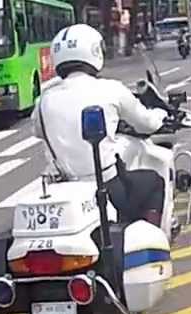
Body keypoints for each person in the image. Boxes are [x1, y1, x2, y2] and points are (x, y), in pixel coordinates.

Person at [31, 24, 171, 227]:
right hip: (107, 188)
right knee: (154, 182)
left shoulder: (44, 100)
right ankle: (154, 242)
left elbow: (37, 130)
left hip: (63, 189)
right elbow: (146, 123)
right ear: (95, 52)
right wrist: (160, 115)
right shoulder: (110, 89)